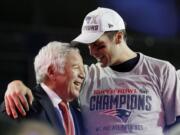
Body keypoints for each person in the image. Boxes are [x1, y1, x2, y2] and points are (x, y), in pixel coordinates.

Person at [3, 7, 180, 135]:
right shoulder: (87, 75)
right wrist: (15, 85)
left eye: (98, 45)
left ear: (118, 37)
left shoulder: (161, 71)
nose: (93, 52)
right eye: (89, 46)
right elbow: (52, 88)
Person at [0, 41, 85, 135]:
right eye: (76, 67)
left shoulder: (80, 115)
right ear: (52, 72)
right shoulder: (20, 104)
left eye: (83, 69)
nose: (83, 75)